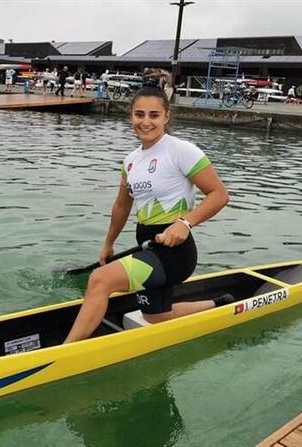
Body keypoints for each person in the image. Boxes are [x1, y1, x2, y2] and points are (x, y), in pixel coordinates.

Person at [64, 84, 230, 344]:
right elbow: (122, 206)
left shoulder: (180, 150)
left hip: (174, 252)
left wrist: (185, 223)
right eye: (139, 114)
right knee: (155, 317)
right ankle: (219, 304)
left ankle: (65, 352)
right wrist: (108, 243)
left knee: (99, 280)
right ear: (131, 116)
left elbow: (219, 194)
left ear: (166, 116)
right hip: (148, 247)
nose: (146, 121)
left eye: (154, 115)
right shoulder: (130, 161)